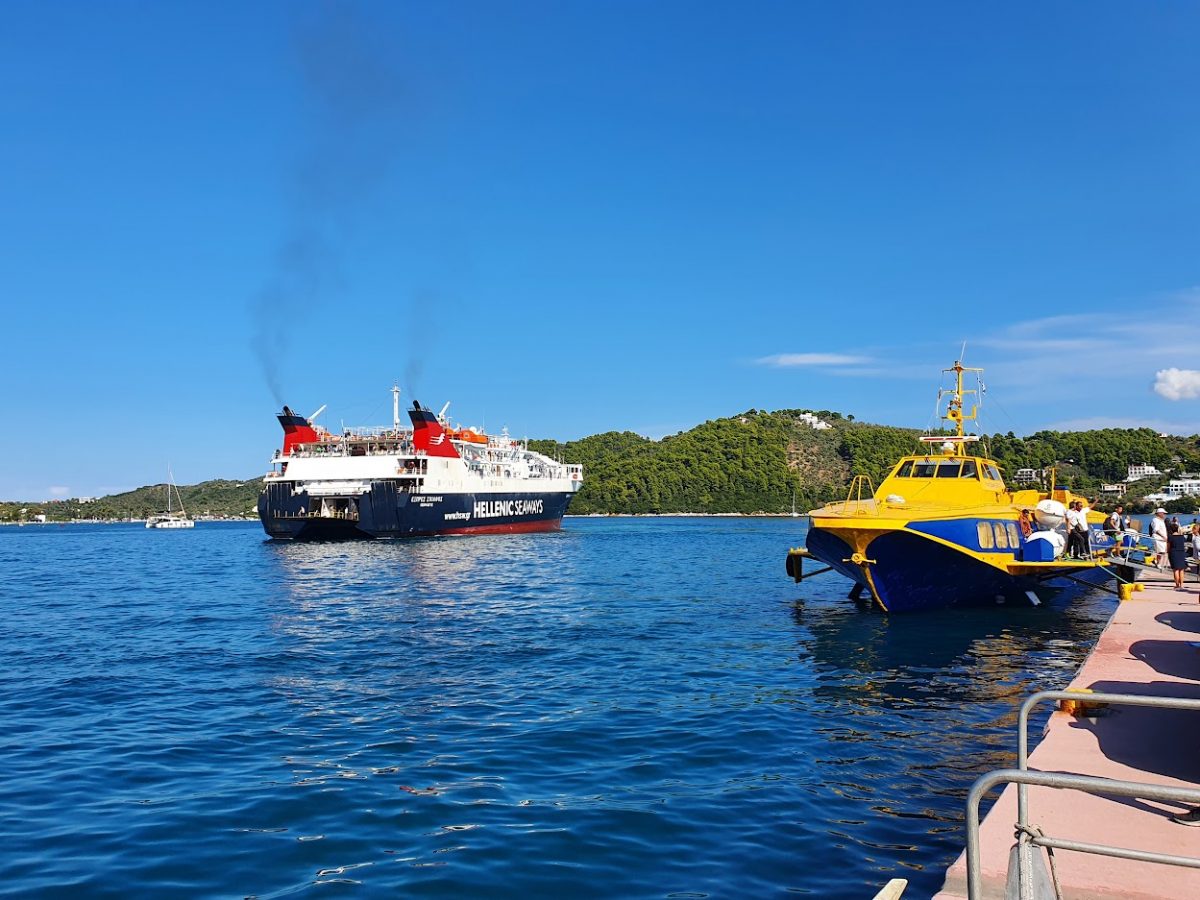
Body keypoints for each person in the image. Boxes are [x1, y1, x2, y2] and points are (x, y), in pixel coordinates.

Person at [1168, 522, 1188, 590]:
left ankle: (1177, 585)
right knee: (1181, 570)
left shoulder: (1171, 537)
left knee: (1176, 570)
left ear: (1170, 530)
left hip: (1174, 553)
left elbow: (1168, 547)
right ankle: (1182, 585)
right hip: (1181, 553)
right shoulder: (1182, 537)